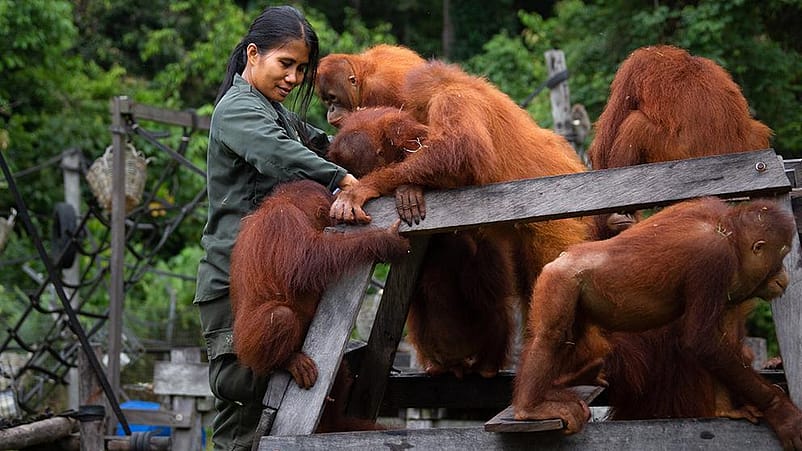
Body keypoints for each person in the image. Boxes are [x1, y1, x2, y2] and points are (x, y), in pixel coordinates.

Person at [193, 6, 358, 450]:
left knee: (287, 411)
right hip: (233, 283)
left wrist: (367, 146)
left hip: (274, 280)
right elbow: (277, 153)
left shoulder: (276, 112)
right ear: (253, 55)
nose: (294, 78)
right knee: (245, 410)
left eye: (302, 69)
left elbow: (320, 145)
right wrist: (341, 179)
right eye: (286, 64)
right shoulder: (237, 109)